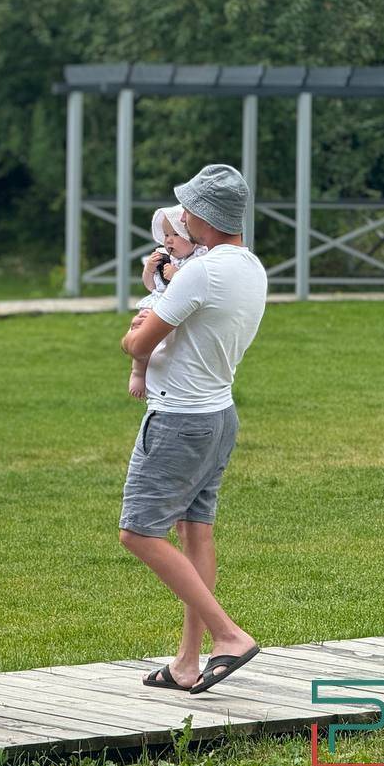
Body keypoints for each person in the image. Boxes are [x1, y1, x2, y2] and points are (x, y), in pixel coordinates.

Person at [119, 164, 267, 695]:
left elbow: (137, 344)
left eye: (186, 208)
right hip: (218, 415)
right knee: (195, 531)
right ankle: (186, 662)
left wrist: (153, 293)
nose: (180, 216)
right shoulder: (251, 267)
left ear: (203, 216)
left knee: (138, 532)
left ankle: (229, 636)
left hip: (179, 418)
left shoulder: (202, 273)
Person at [129, 205, 208, 399]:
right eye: (165, 235)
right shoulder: (162, 256)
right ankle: (138, 372)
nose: (169, 240)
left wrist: (176, 275)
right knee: (140, 333)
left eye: (175, 234)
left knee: (168, 345)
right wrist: (148, 270)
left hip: (177, 306)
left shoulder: (198, 260)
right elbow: (150, 286)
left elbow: (190, 285)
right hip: (157, 303)